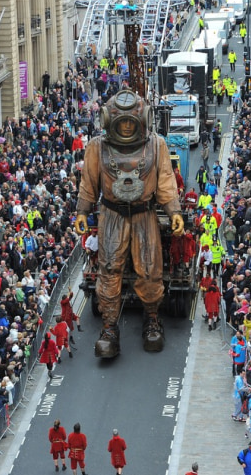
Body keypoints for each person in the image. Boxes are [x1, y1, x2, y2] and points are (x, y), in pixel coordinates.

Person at [75, 90, 184, 358]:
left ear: (142, 120)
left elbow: (166, 182)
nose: (125, 126)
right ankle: (110, 327)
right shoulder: (96, 148)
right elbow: (88, 183)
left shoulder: (156, 145)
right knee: (109, 270)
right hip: (111, 215)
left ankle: (152, 318)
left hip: (144, 214)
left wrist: (173, 211)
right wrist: (82, 211)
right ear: (108, 122)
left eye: (130, 122)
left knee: (149, 268)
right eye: (120, 122)